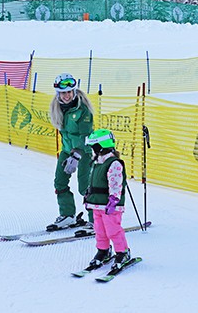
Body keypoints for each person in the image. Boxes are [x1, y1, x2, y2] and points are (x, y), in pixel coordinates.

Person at [48, 72, 94, 230]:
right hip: (67, 151)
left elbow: (85, 136)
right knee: (59, 182)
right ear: (58, 93)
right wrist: (69, 154)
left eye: (69, 92)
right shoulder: (58, 108)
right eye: (63, 92)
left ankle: (96, 219)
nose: (67, 95)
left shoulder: (83, 111)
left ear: (74, 91)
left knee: (85, 187)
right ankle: (67, 215)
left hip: (84, 152)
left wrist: (76, 156)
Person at [83, 129, 133, 271]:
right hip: (97, 203)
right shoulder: (97, 162)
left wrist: (113, 199)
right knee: (99, 230)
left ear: (101, 146)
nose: (92, 149)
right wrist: (88, 196)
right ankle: (103, 251)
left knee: (113, 230)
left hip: (110, 205)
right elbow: (93, 182)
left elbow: (116, 184)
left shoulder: (114, 163)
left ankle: (122, 252)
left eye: (94, 146)